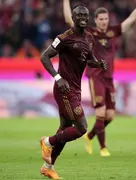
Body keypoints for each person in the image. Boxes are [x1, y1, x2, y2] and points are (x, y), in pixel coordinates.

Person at [63, 0, 136, 157]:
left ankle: (89, 136)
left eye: (106, 19)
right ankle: (103, 148)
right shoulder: (89, 33)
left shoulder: (113, 32)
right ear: (95, 20)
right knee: (100, 114)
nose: (103, 22)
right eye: (100, 19)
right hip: (95, 77)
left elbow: (131, 19)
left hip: (109, 79)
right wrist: (66, 1)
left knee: (110, 117)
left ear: (109, 20)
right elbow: (69, 20)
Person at [39, 5, 107, 179]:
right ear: (74, 18)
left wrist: (98, 63)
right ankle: (47, 141)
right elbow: (44, 56)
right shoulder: (64, 38)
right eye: (79, 15)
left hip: (75, 89)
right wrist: (57, 77)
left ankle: (48, 167)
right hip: (64, 88)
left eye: (85, 15)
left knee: (65, 128)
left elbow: (89, 59)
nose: (83, 17)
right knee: (82, 127)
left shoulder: (90, 38)